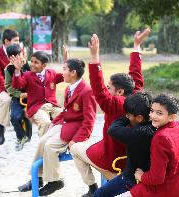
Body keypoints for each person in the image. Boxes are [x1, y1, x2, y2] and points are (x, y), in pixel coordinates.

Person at [70, 28, 151, 197]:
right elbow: (136, 74)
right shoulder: (137, 96)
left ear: (120, 92)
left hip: (111, 158)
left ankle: (92, 188)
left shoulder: (115, 104)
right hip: (131, 158)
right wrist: (136, 46)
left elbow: (98, 89)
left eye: (110, 88)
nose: (107, 90)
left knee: (75, 148)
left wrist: (94, 57)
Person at [18, 58, 97, 196]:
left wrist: (77, 139)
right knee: (42, 141)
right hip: (64, 123)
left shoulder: (86, 91)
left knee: (50, 146)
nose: (62, 72)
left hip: (76, 129)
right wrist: (54, 123)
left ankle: (55, 181)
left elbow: (89, 120)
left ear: (73, 72)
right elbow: (66, 110)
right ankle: (38, 178)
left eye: (65, 69)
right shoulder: (69, 88)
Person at [116, 94, 179, 197]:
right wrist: (176, 168)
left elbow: (156, 178)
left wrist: (141, 177)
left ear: (172, 117)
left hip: (161, 191)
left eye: (159, 113)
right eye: (152, 111)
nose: (153, 116)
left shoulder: (161, 137)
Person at [94, 91, 156, 197]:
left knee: (99, 194)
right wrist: (130, 114)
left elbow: (112, 130)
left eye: (128, 115)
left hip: (131, 179)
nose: (127, 117)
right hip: (147, 175)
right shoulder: (155, 126)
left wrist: (124, 118)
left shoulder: (139, 133)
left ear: (140, 118)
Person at [11, 51, 63, 137]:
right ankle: (42, 147)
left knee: (67, 118)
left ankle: (61, 145)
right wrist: (17, 71)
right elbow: (17, 85)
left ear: (44, 65)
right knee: (46, 122)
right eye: (31, 61)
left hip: (53, 106)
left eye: (36, 62)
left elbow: (64, 76)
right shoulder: (27, 75)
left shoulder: (51, 73)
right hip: (37, 108)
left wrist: (67, 62)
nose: (32, 64)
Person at [0, 29, 19, 145]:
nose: (18, 43)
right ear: (6, 41)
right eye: (15, 40)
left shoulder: (19, 51)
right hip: (2, 87)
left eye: (18, 40)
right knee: (6, 100)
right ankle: (1, 129)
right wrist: (9, 90)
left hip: (18, 84)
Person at [4, 44, 32, 151]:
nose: (17, 59)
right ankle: (21, 136)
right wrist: (19, 94)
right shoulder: (9, 69)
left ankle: (29, 136)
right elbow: (8, 87)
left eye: (18, 55)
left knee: (28, 114)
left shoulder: (28, 65)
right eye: (13, 58)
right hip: (18, 97)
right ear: (9, 58)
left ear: (22, 53)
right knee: (14, 116)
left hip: (32, 97)